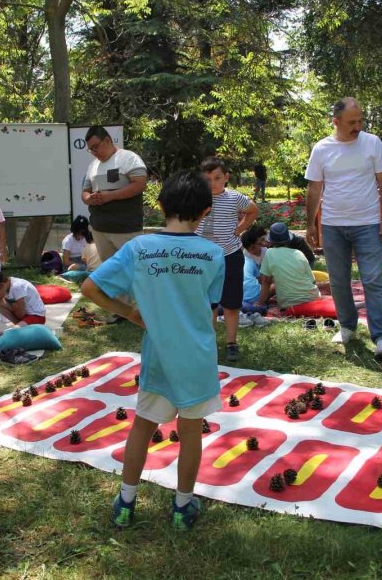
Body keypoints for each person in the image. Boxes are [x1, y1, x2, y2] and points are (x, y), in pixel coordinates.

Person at [82, 170, 225, 531]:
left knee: (142, 428)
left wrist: (130, 313)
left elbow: (90, 287)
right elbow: (210, 309)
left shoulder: (139, 249)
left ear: (159, 205)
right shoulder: (213, 254)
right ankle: (181, 508)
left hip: (159, 358)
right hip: (197, 360)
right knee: (191, 433)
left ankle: (126, 503)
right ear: (206, 211)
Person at [304, 97, 382, 359]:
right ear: (336, 122)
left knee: (372, 279)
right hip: (333, 225)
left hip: (367, 223)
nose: (358, 126)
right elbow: (314, 188)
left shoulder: (372, 143)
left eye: (360, 120)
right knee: (339, 281)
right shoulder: (322, 149)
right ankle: (347, 326)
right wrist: (310, 223)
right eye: (352, 122)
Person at [195, 157, 258, 362]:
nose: (212, 183)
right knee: (208, 303)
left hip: (230, 255)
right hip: (203, 258)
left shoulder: (234, 198)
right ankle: (208, 342)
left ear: (226, 178)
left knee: (231, 303)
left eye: (217, 178)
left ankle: (231, 343)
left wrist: (241, 227)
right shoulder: (196, 198)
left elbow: (252, 210)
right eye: (207, 179)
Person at [81, 126, 147, 263]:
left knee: (133, 270)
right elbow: (85, 192)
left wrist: (110, 196)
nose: (93, 152)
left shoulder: (129, 158)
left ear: (107, 140)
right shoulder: (92, 165)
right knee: (109, 271)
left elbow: (140, 184)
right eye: (90, 149)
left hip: (126, 229)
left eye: (95, 147)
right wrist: (90, 199)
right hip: (99, 229)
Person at [257, 222, 320, 311]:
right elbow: (312, 281)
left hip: (287, 304)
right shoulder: (299, 253)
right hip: (312, 298)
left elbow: (266, 282)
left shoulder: (269, 253)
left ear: (271, 240)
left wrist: (260, 303)